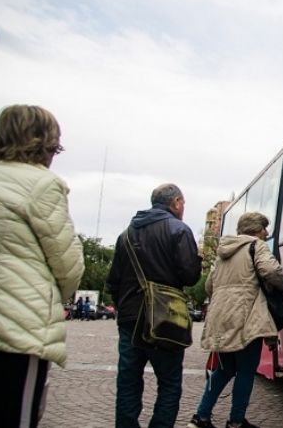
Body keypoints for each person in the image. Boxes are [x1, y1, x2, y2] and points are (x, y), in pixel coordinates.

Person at [0, 104, 85, 427]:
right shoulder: (43, 185)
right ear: (44, 143)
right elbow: (68, 266)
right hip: (18, 328)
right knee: (15, 418)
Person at [106, 183, 202, 428]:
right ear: (176, 202)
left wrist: (124, 307)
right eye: (183, 203)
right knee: (169, 383)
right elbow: (190, 276)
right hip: (165, 318)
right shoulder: (179, 230)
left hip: (130, 318)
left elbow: (113, 281)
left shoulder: (126, 234)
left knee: (128, 382)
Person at [188, 212, 283, 428]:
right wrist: (282, 285)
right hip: (246, 317)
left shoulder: (223, 252)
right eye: (264, 228)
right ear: (256, 230)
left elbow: (209, 286)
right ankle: (235, 422)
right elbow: (271, 270)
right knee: (245, 371)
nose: (266, 233)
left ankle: (201, 417)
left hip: (222, 318)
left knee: (224, 370)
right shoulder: (257, 246)